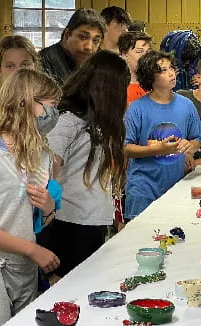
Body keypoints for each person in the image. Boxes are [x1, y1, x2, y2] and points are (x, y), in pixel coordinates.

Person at [0, 69, 61, 325]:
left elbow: (38, 221)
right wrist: (33, 249)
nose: (54, 114)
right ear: (24, 102)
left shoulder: (42, 155)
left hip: (24, 265)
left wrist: (48, 208)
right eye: (49, 105)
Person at [46, 51, 130, 282]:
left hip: (94, 218)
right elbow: (49, 162)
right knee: (68, 288)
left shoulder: (99, 121)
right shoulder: (69, 119)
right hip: (70, 221)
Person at [123, 50, 201, 220]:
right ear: (149, 77)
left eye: (171, 68)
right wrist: (156, 149)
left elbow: (197, 140)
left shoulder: (186, 105)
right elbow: (125, 148)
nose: (171, 74)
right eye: (162, 70)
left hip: (176, 185)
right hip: (143, 189)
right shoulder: (136, 108)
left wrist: (189, 147)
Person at [0, 35, 38, 132]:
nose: (18, 71)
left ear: (34, 66)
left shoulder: (51, 111)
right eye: (10, 66)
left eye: (25, 64)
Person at [39, 8, 106, 86]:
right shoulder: (42, 62)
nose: (89, 47)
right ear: (67, 34)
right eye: (83, 37)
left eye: (96, 41)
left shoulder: (93, 64)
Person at [118, 31, 152, 104]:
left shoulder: (156, 86)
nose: (145, 57)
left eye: (148, 52)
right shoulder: (117, 89)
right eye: (139, 52)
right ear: (124, 54)